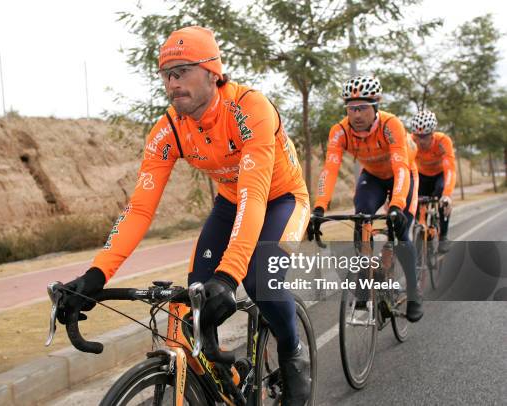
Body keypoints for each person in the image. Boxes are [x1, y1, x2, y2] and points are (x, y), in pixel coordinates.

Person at [58, 26, 311, 404]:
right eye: (167, 74)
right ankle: (227, 375)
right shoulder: (168, 130)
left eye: (183, 71)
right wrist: (96, 274)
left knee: (259, 279)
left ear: (212, 71)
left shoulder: (249, 109)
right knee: (194, 303)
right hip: (231, 201)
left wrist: (228, 276)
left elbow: (255, 193)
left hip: (282, 199)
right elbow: (140, 208)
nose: (173, 83)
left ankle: (292, 354)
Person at [309, 75, 423, 322]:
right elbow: (329, 169)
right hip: (372, 177)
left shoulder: (390, 125)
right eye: (351, 108)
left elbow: (401, 167)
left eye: (362, 108)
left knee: (401, 231)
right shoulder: (339, 132)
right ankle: (364, 280)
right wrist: (319, 207)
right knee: (361, 216)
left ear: (375, 107)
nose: (356, 114)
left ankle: (414, 293)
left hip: (402, 174)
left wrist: (396, 207)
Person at [410, 110, 456, 253]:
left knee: (443, 201)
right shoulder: (411, 142)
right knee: (417, 204)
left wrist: (447, 194)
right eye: (418, 136)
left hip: (439, 176)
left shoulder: (443, 141)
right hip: (422, 176)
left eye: (424, 136)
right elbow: (405, 166)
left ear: (432, 133)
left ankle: (443, 236)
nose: (421, 141)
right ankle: (420, 230)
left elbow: (450, 168)